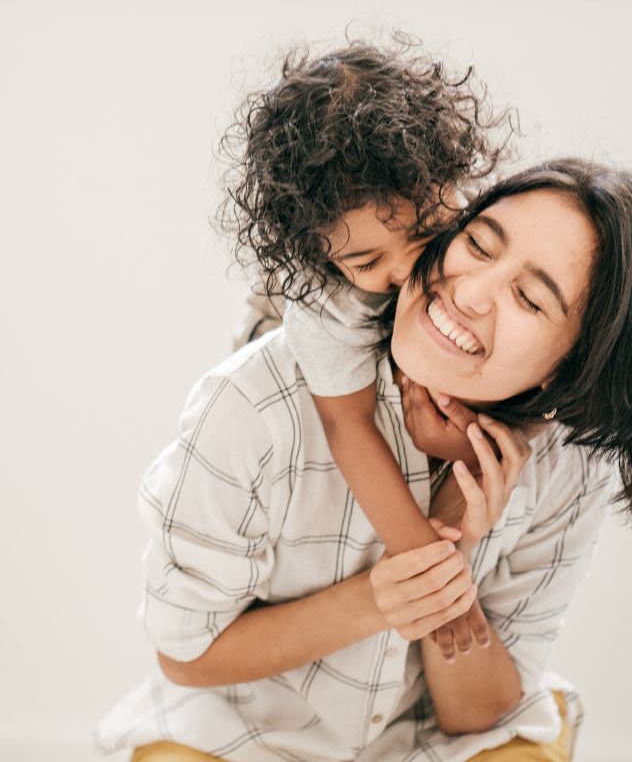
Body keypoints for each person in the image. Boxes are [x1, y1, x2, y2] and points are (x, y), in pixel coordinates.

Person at [96, 159, 632, 761]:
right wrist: (378, 599)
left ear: (571, 370)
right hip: (239, 733)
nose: (468, 292)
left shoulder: (569, 469)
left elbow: (478, 715)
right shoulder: (256, 404)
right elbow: (186, 655)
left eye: (528, 298)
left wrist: (459, 532)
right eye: (478, 244)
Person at [219, 38, 513, 659]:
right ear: (323, 255)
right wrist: (428, 567)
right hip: (276, 326)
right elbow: (346, 425)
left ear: (453, 180)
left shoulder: (490, 234)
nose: (409, 271)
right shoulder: (327, 300)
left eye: (428, 235)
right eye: (367, 260)